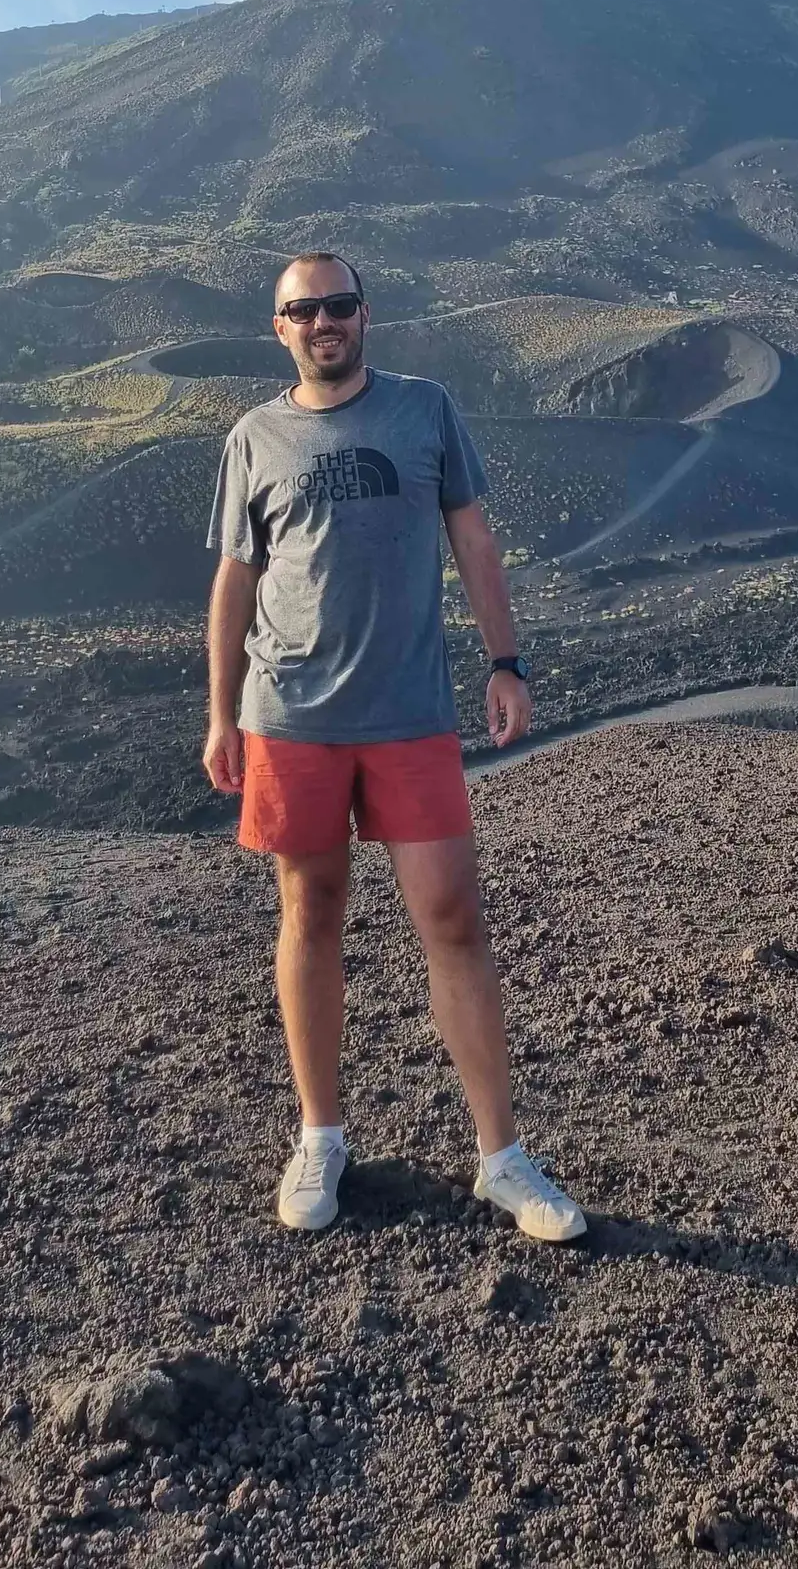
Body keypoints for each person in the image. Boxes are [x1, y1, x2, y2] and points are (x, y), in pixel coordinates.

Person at [203, 251, 587, 1243]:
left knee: (452, 916)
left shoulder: (426, 410)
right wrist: (220, 712)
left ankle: (502, 1158)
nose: (322, 321)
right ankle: (319, 1137)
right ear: (280, 327)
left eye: (338, 304)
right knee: (310, 912)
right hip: (291, 714)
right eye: (304, 309)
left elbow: (474, 540)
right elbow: (236, 581)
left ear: (365, 314)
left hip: (411, 710)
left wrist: (507, 663)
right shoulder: (254, 437)